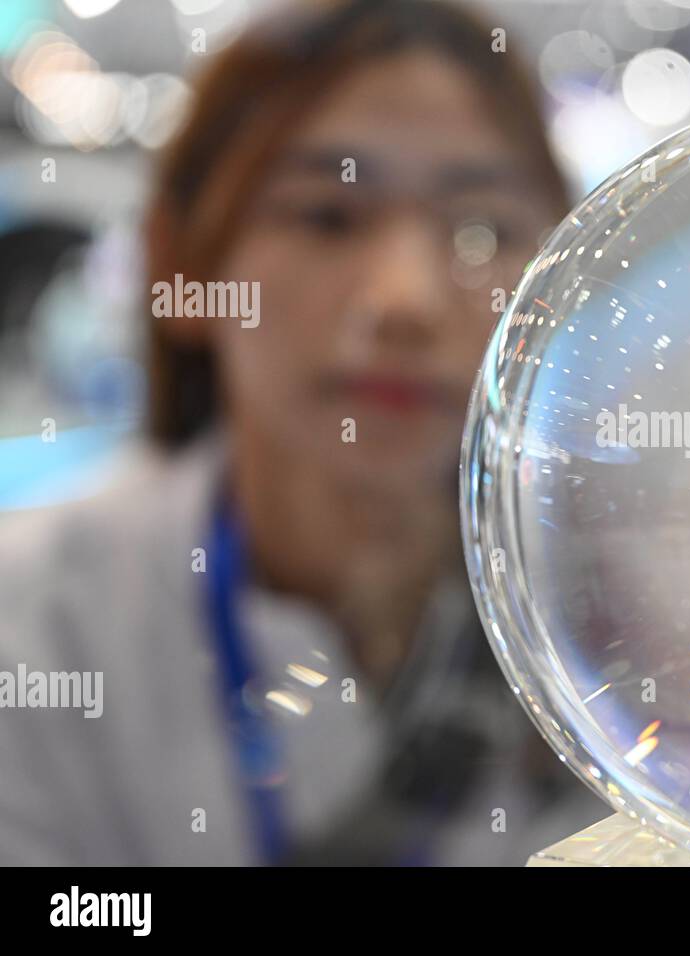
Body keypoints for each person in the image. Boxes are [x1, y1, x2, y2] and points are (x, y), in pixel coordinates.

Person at [0, 0, 606, 865]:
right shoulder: (33, 633)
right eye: (327, 215)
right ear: (186, 263)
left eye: (483, 229)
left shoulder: (639, 627)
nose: (406, 300)